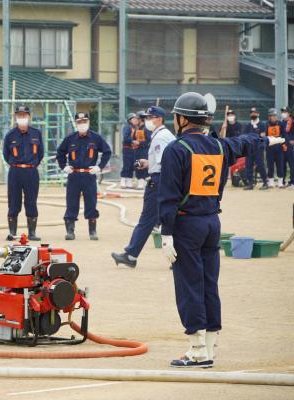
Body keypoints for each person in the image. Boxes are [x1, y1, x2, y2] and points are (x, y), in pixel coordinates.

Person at [157, 92, 284, 368]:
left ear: (180, 119)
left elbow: (167, 196)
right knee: (208, 283)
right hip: (212, 222)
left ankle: (197, 350)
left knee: (189, 283)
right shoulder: (218, 146)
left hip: (186, 223)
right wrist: (265, 140)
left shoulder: (176, 150)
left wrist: (166, 234)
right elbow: (243, 143)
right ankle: (210, 347)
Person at [111, 106, 174, 267]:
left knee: (147, 219)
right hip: (165, 180)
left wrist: (156, 173)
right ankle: (132, 255)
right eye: (145, 118)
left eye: (150, 117)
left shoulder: (160, 137)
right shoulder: (164, 135)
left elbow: (164, 163)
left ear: (159, 119)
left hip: (159, 180)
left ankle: (131, 256)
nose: (146, 120)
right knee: (169, 220)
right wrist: (148, 162)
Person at [56, 112, 111, 240]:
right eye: (79, 122)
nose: (82, 124)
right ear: (76, 123)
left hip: (89, 175)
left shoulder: (96, 138)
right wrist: (64, 166)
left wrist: (99, 166)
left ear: (88, 122)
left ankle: (92, 231)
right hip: (74, 175)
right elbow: (60, 153)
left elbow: (107, 152)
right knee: (71, 203)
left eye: (84, 121)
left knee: (91, 202)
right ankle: (70, 231)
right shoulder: (70, 139)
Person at [3, 104, 44, 241]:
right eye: (19, 115)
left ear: (28, 117)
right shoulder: (10, 135)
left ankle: (32, 233)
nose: (22, 117)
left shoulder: (36, 133)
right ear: (16, 117)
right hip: (15, 171)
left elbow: (40, 153)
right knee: (14, 201)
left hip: (31, 171)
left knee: (31, 201)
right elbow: (6, 154)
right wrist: (17, 165)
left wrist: (31, 165)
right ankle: (13, 232)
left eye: (24, 115)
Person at [243, 107, 269, 190]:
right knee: (248, 165)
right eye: (251, 113)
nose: (253, 114)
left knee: (260, 165)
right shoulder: (248, 125)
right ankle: (250, 183)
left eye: (254, 113)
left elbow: (262, 136)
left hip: (259, 148)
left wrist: (254, 138)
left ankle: (265, 182)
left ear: (258, 114)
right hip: (250, 149)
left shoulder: (262, 124)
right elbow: (245, 136)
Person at [265, 108, 286, 188]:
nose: (274, 117)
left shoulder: (280, 124)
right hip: (270, 148)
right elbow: (265, 136)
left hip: (279, 148)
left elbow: (284, 135)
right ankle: (271, 182)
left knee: (279, 165)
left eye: (275, 115)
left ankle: (280, 182)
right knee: (270, 165)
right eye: (272, 116)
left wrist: (284, 144)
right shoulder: (266, 124)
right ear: (269, 116)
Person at [120, 113, 139, 188]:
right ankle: (123, 181)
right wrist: (133, 141)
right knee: (126, 165)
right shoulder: (127, 127)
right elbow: (126, 138)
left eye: (136, 119)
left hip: (133, 149)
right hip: (127, 149)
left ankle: (129, 181)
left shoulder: (136, 128)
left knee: (132, 166)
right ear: (129, 120)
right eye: (134, 119)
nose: (136, 120)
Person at [133, 111, 151, 190]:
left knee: (142, 166)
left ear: (140, 119)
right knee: (137, 165)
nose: (135, 120)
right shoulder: (138, 128)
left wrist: (139, 143)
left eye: (136, 118)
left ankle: (142, 182)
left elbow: (149, 140)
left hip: (144, 151)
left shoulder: (146, 128)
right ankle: (140, 181)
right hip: (138, 150)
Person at [282, 107, 294, 188]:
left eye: (285, 112)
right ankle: (282, 181)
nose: (283, 113)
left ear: (289, 113)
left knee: (292, 164)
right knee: (282, 164)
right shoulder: (282, 122)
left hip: (291, 146)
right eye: (283, 112)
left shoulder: (292, 122)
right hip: (283, 145)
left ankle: (292, 182)